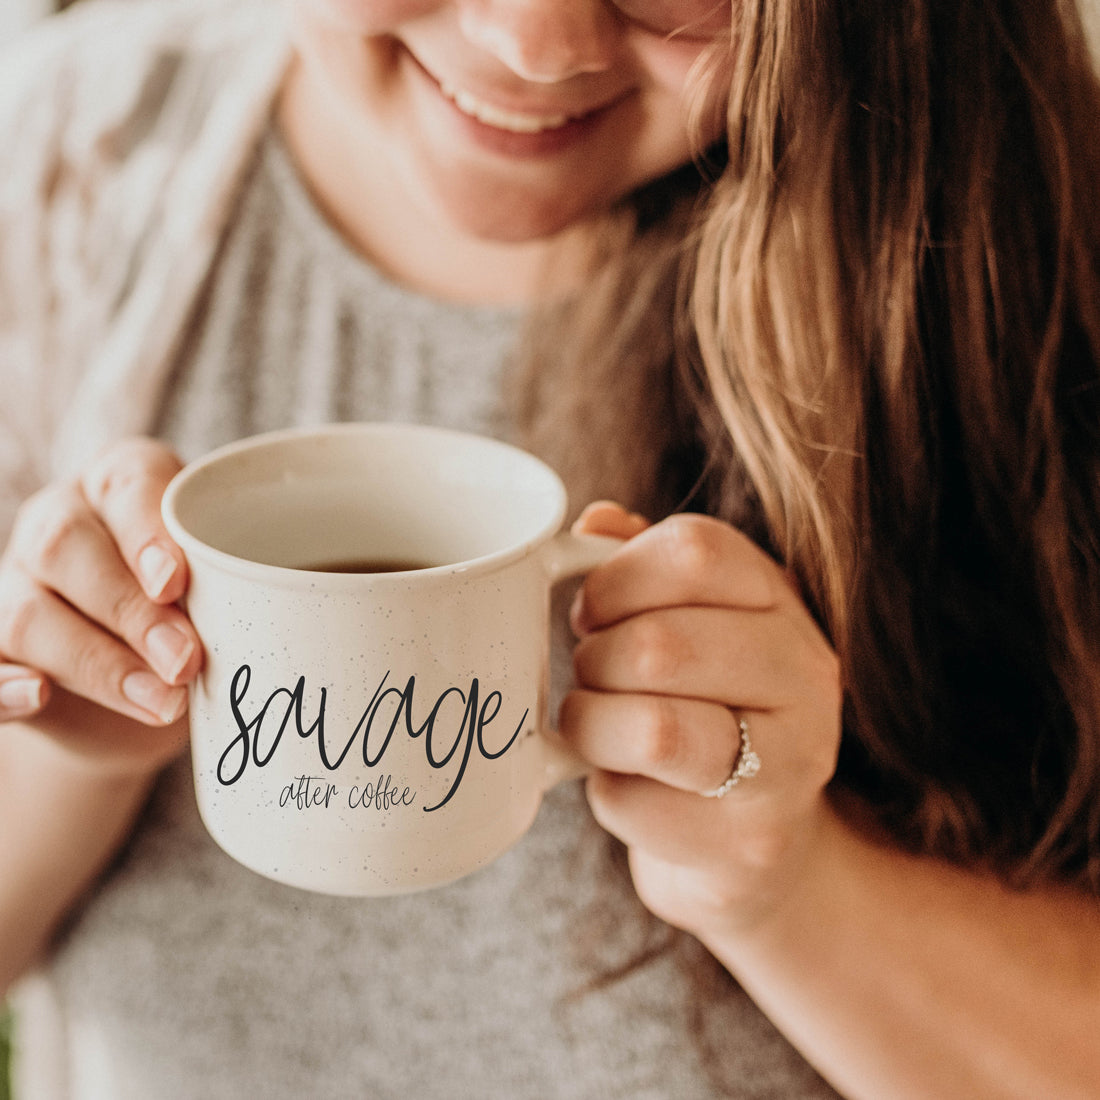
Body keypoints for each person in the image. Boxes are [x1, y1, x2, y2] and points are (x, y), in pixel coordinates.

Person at [1, 0, 1099, 1096]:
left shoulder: (1002, 244)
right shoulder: (73, 158)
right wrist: (83, 735)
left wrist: (793, 887)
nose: (531, 42)